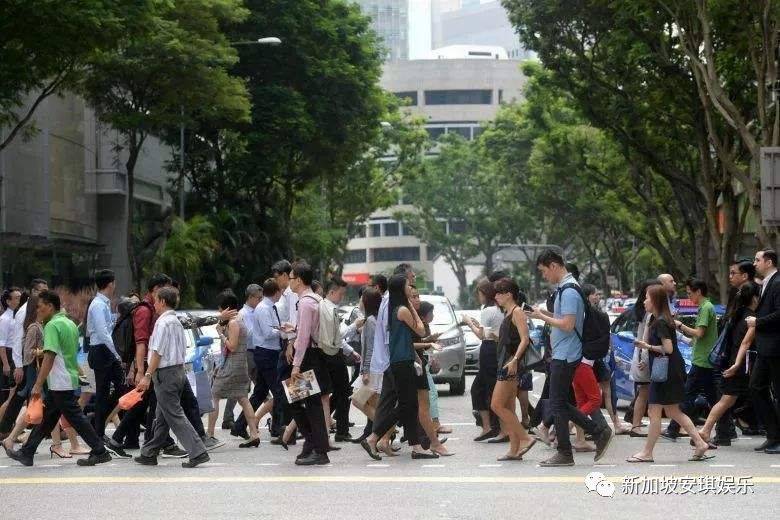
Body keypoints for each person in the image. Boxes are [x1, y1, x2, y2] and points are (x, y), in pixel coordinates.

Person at [5, 290, 111, 467]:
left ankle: (100, 451)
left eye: (39, 306)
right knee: (48, 417)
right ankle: (27, 452)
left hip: (60, 380)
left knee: (75, 417)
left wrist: (38, 384)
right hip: (66, 377)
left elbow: (50, 356)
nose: (37, 310)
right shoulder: (69, 323)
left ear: (49, 306)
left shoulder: (52, 326)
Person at [527, 250, 612, 467]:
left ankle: (572, 448)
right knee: (559, 403)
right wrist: (542, 314)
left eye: (544, 271)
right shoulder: (566, 289)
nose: (544, 275)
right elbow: (563, 320)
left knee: (558, 404)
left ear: (554, 266)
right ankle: (593, 435)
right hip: (563, 353)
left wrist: (541, 316)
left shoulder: (570, 291)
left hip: (566, 355)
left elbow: (567, 324)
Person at [627, 285, 712, 463]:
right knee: (673, 411)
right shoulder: (660, 319)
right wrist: (647, 356)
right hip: (668, 371)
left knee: (654, 411)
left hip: (666, 373)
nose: (644, 301)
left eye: (647, 298)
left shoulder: (660, 322)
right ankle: (699, 443)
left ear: (655, 301)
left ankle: (647, 453)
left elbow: (668, 348)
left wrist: (647, 346)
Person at [361, 273, 438, 460]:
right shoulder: (402, 310)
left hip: (400, 360)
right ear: (401, 289)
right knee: (405, 406)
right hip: (402, 362)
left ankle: (416, 446)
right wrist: (411, 307)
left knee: (409, 406)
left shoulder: (392, 308)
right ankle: (373, 438)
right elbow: (421, 330)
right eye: (408, 286)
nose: (410, 289)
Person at [134, 287, 209, 468]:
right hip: (177, 371)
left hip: (165, 374)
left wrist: (147, 375)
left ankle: (198, 451)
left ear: (162, 301)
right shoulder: (176, 322)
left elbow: (157, 352)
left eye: (156, 300)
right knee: (162, 416)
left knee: (174, 415)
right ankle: (149, 452)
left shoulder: (162, 323)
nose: (154, 304)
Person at [698, 281, 760, 444]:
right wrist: (737, 365)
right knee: (727, 399)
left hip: (733, 363)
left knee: (728, 400)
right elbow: (745, 343)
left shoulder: (737, 314)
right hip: (738, 366)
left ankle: (707, 430)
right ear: (755, 298)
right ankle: (705, 431)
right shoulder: (751, 319)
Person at [662, 278, 719, 440]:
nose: (688, 297)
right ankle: (726, 430)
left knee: (687, 395)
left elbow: (699, 333)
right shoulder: (706, 307)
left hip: (702, 360)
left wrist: (680, 325)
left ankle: (673, 428)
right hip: (704, 359)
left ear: (698, 292)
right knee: (714, 398)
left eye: (689, 293)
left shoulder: (706, 308)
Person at [287, 261, 330, 466]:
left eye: (291, 278)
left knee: (310, 404)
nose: (289, 282)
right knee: (298, 400)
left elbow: (304, 337)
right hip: (316, 355)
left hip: (308, 358)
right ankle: (313, 444)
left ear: (299, 280)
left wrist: (296, 365)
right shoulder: (316, 299)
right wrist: (293, 329)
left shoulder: (305, 303)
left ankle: (319, 450)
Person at [206, 289, 260, 447]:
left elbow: (232, 346)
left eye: (220, 308)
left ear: (227, 309)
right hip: (239, 365)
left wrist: (220, 333)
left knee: (214, 395)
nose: (219, 311)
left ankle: (210, 433)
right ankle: (254, 434)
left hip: (232, 366)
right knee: (243, 399)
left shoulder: (234, 323)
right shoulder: (238, 320)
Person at [489, 277, 536, 461]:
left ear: (508, 294)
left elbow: (525, 339)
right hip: (506, 362)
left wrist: (515, 360)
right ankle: (514, 450)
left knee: (496, 405)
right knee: (508, 407)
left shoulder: (517, 312)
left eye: (498, 293)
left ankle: (525, 438)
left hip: (511, 364)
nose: (495, 296)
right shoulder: (508, 313)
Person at [85, 269, 127, 453]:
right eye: (114, 283)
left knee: (120, 387)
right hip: (101, 350)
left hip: (105, 350)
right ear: (110, 284)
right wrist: (117, 354)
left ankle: (98, 421)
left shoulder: (104, 303)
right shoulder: (97, 305)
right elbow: (102, 333)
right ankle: (98, 431)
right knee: (102, 393)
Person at [581, 284, 630, 436]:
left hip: (593, 359)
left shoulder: (589, 314)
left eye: (598, 294)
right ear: (587, 296)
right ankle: (584, 425)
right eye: (594, 294)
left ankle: (612, 424)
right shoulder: (591, 315)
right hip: (591, 359)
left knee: (603, 393)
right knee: (596, 396)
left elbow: (608, 338)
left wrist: (611, 353)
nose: (597, 297)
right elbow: (606, 337)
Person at [747, 249, 780, 454]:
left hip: (776, 348)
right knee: (756, 387)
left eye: (757, 260)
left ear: (768, 262)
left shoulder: (777, 283)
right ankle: (773, 435)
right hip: (765, 347)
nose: (754, 263)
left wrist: (757, 322)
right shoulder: (766, 283)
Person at [409, 296, 451, 457]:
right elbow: (410, 344)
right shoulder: (410, 319)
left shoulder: (418, 322)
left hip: (419, 364)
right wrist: (429, 342)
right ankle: (431, 436)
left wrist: (428, 345)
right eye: (413, 296)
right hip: (414, 366)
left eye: (417, 296)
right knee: (422, 401)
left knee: (421, 403)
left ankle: (429, 439)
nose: (416, 300)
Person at [1, 294, 42, 451]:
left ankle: (11, 434)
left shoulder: (32, 322)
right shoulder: (24, 321)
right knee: (19, 398)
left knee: (22, 399)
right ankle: (7, 432)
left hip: (25, 364)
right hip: (25, 364)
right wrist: (16, 366)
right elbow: (14, 344)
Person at [464, 280, 503, 441]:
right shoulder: (499, 309)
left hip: (489, 349)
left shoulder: (488, 310)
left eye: (479, 294)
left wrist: (468, 323)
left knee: (487, 389)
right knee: (481, 388)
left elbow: (482, 335)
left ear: (485, 294)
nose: (478, 297)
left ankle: (497, 427)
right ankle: (489, 427)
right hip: (496, 350)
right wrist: (477, 324)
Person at [225, 283, 261, 434]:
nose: (260, 301)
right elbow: (247, 334)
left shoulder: (257, 311)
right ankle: (232, 419)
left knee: (242, 388)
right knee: (252, 387)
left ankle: (230, 418)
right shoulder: (243, 314)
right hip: (247, 352)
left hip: (255, 351)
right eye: (258, 298)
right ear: (251, 297)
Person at [350, 287, 382, 443]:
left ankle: (385, 427)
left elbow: (370, 348)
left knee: (357, 400)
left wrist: (365, 370)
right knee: (374, 404)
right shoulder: (374, 319)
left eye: (362, 299)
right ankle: (384, 433)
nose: (359, 301)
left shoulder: (370, 321)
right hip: (375, 367)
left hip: (372, 369)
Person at [0, 287, 22, 428]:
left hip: (14, 354)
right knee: (9, 393)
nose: (19, 300)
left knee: (14, 393)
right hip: (7, 355)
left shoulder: (17, 316)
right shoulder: (5, 319)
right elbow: (1, 344)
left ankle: (9, 425)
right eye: (16, 298)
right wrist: (6, 364)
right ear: (8, 301)